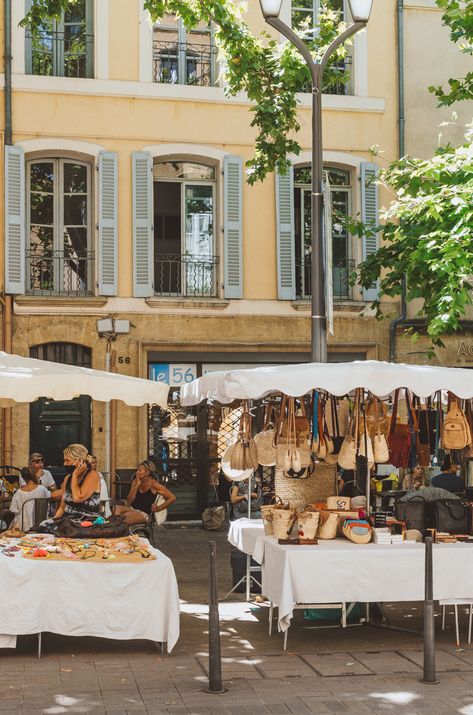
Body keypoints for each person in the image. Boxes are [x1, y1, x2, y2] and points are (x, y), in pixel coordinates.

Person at [45, 444, 101, 527]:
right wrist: (52, 521)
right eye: (64, 460)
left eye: (67, 460)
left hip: (86, 525)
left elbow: (77, 498)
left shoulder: (92, 476)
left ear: (80, 461)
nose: (64, 464)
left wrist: (74, 476)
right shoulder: (67, 478)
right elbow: (62, 507)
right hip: (68, 523)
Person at [114, 460, 176, 526]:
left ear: (147, 472)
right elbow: (129, 501)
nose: (137, 472)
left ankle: (118, 526)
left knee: (124, 518)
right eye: (137, 470)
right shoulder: (135, 482)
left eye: (140, 470)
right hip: (133, 509)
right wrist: (136, 487)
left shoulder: (155, 485)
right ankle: (117, 527)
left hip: (145, 514)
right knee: (115, 508)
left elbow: (172, 498)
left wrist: (159, 508)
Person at [9, 467, 50, 532]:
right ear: (34, 475)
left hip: (23, 525)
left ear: (23, 478)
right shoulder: (42, 489)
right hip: (40, 523)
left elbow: (14, 510)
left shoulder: (18, 492)